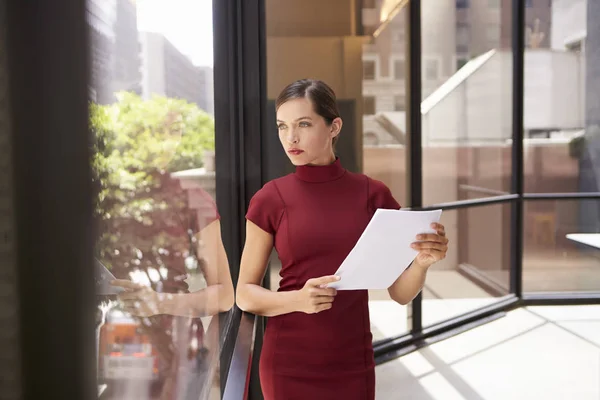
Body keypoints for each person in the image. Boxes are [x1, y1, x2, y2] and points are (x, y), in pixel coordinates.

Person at [236, 79, 449, 399]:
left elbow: (400, 293)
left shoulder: (372, 195)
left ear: (334, 126)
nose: (290, 137)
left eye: (303, 124)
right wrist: (298, 300)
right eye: (282, 126)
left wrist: (421, 263)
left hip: (353, 362)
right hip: (288, 363)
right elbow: (245, 294)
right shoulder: (270, 199)